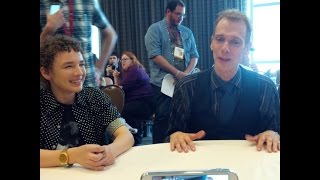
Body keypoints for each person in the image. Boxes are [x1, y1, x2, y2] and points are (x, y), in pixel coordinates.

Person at [167, 9, 280, 153]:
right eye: (220, 39)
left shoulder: (266, 88)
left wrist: (273, 134)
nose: (225, 48)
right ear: (211, 43)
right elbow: (173, 134)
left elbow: (275, 132)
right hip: (200, 168)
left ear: (246, 48)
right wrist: (176, 136)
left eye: (235, 42)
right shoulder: (186, 87)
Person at [40, 35, 134, 170]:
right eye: (68, 66)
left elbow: (126, 135)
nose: (79, 72)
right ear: (46, 72)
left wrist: (110, 151)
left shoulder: (94, 97)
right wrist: (72, 156)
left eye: (81, 64)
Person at [144, 0, 199, 143]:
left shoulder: (187, 32)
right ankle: (158, 151)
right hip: (162, 82)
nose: (180, 18)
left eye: (183, 15)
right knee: (163, 117)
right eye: (178, 14)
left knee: (187, 116)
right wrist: (177, 73)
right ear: (168, 11)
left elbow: (194, 55)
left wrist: (186, 74)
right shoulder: (155, 29)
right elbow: (155, 56)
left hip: (184, 81)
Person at [40, 0, 118, 87]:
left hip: (87, 82)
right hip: (55, 85)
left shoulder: (87, 2)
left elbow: (111, 35)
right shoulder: (42, 4)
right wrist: (49, 30)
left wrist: (99, 68)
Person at [113, 51, 155, 145]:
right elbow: (119, 91)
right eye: (122, 60)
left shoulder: (134, 71)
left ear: (132, 60)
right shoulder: (131, 71)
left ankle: (135, 139)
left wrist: (115, 78)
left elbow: (119, 91)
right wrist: (116, 77)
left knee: (122, 111)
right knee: (122, 110)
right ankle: (134, 137)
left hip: (144, 104)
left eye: (125, 59)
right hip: (143, 103)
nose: (123, 61)